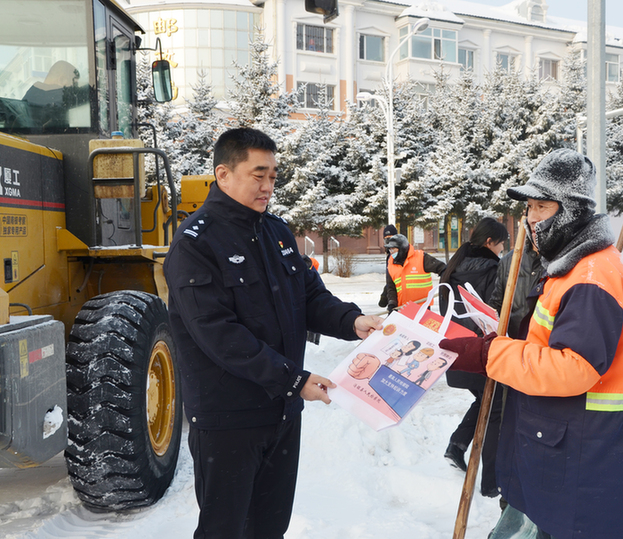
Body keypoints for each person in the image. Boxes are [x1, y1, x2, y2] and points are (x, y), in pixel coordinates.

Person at [163, 127, 383, 539]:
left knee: (269, 528)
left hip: (281, 413)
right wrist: (294, 379)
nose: (268, 186)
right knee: (223, 530)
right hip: (228, 418)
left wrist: (353, 322)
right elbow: (218, 334)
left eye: (273, 176)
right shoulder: (196, 243)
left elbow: (311, 297)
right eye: (258, 175)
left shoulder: (276, 232)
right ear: (223, 174)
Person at [439, 149, 623, 539]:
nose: (530, 219)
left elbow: (572, 367)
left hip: (583, 451)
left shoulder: (590, 275)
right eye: (529, 207)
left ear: (570, 210)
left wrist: (489, 354)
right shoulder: (573, 265)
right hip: (566, 442)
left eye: (540, 207)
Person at [437, 217, 509, 498]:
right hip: (481, 352)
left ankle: (457, 444)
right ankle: (492, 481)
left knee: (486, 401)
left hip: (456, 351)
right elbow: (496, 312)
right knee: (497, 408)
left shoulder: (454, 266)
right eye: (501, 244)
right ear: (490, 242)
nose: (503, 250)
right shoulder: (492, 269)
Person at [383, 233, 446, 312]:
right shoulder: (391, 264)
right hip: (402, 308)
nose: (391, 251)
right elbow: (391, 288)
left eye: (393, 249)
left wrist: (447, 285)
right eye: (390, 249)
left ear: (402, 248)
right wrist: (392, 304)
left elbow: (442, 269)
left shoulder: (421, 257)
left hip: (422, 307)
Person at [379, 224, 398, 308]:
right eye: (387, 240)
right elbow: (391, 279)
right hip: (393, 296)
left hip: (402, 299)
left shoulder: (400, 255)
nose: (389, 243)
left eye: (392, 239)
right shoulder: (390, 256)